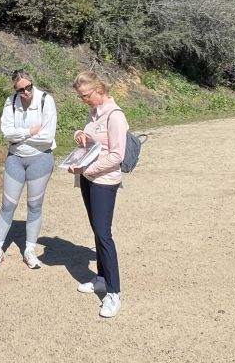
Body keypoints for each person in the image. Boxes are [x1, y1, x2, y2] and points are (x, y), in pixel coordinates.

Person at [69, 71, 128, 319]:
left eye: (86, 96)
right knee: (97, 230)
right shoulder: (94, 113)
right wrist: (80, 135)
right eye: (81, 97)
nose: (84, 100)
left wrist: (87, 169)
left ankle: (113, 292)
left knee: (104, 235)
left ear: (99, 89)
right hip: (89, 179)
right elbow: (92, 142)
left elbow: (117, 155)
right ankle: (102, 278)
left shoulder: (115, 116)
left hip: (104, 181)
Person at [0, 69, 57, 269]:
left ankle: (30, 249)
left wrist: (20, 136)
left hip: (41, 160)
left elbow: (47, 137)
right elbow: (6, 133)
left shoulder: (46, 100)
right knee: (8, 205)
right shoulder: (10, 102)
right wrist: (29, 131)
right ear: (15, 90)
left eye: (29, 87)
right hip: (15, 158)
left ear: (33, 84)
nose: (26, 92)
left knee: (34, 206)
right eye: (21, 90)